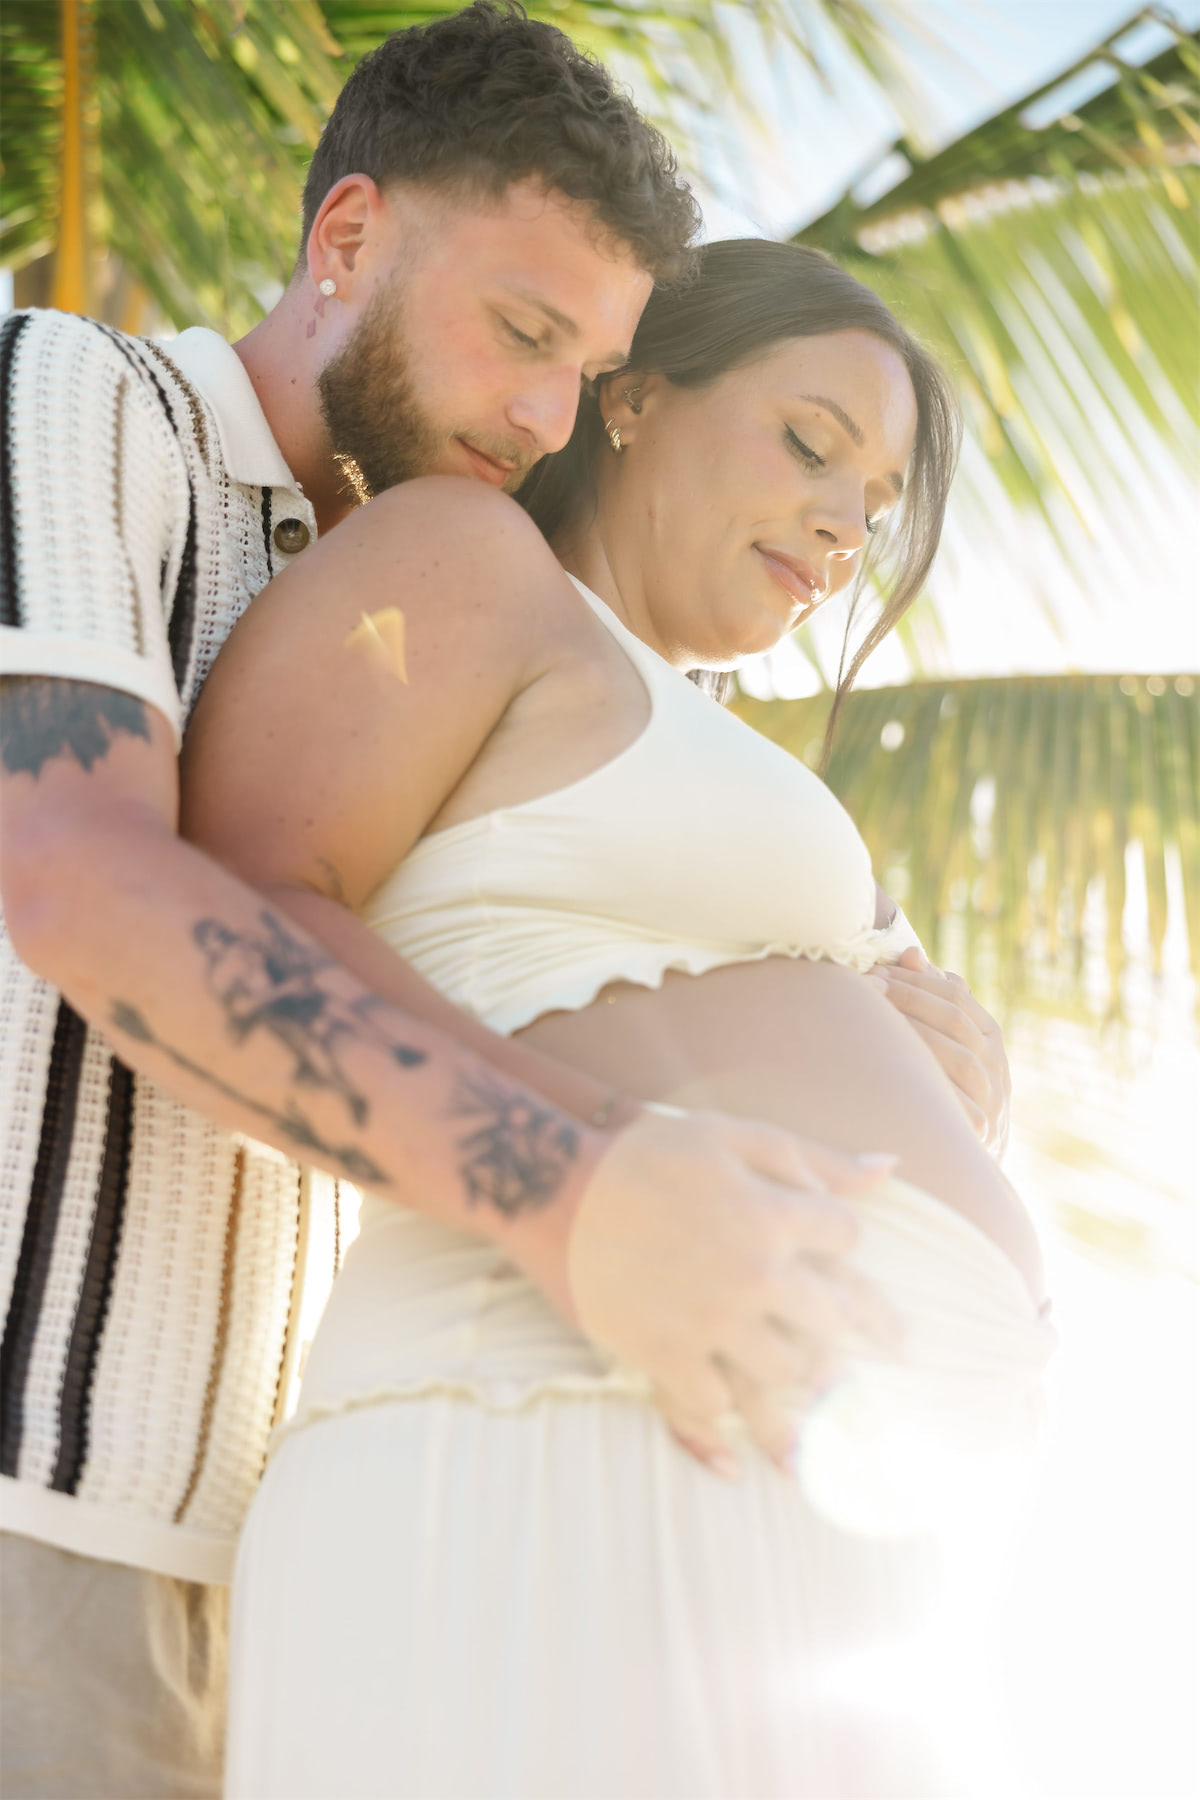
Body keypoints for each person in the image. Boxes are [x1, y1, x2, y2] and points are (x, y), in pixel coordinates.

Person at [0, 11, 903, 1794]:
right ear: (345, 242)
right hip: (41, 1509)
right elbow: (78, 874)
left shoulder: (420, 598)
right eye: (521, 331)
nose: (545, 415)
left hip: (288, 1562)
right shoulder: (81, 400)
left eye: (592, 368)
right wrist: (577, 1192)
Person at [182, 238, 1056, 1797]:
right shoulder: (468, 563)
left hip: (794, 1549)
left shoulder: (706, 737)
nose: (850, 522)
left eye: (879, 497)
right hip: (535, 1441)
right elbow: (243, 909)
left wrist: (946, 1077)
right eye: (810, 444)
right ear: (634, 397)